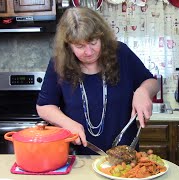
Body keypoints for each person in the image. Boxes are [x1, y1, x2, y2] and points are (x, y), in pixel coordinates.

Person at [36, 7, 159, 155]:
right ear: (68, 46)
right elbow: (44, 106)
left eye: (93, 42)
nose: (88, 52)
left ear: (102, 37)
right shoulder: (59, 64)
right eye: (80, 46)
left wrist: (143, 91)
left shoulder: (121, 53)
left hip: (124, 159)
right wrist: (67, 124)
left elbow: (152, 82)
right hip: (78, 159)